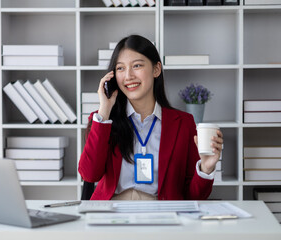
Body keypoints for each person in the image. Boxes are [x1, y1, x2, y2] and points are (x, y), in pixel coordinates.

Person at [78, 35, 223, 201]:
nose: (128, 76)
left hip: (162, 213)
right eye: (120, 68)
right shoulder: (102, 120)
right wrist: (104, 109)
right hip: (113, 213)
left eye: (137, 65)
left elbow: (193, 196)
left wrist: (205, 168)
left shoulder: (183, 123)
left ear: (156, 69)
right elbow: (89, 174)